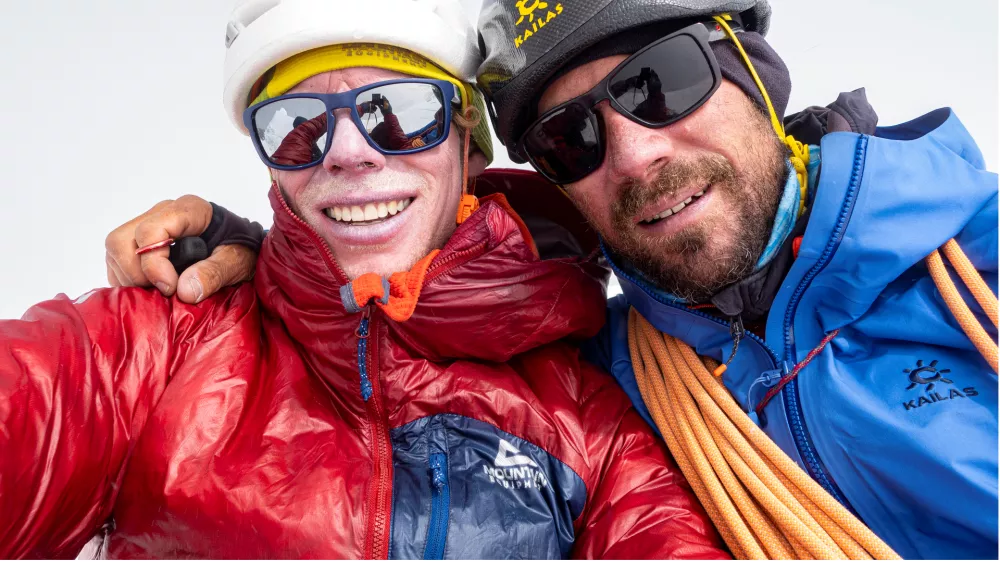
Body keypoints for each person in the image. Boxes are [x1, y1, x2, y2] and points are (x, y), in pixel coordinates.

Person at [127, 0, 998, 559]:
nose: (635, 155)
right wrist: (275, 266)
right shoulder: (612, 376)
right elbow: (430, 325)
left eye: (662, 84)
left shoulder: (980, 257)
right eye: (570, 138)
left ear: (754, 73)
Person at [0, 0, 729, 559]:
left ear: (467, 143)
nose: (347, 153)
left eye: (402, 114)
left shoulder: (592, 424)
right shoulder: (160, 346)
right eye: (297, 123)